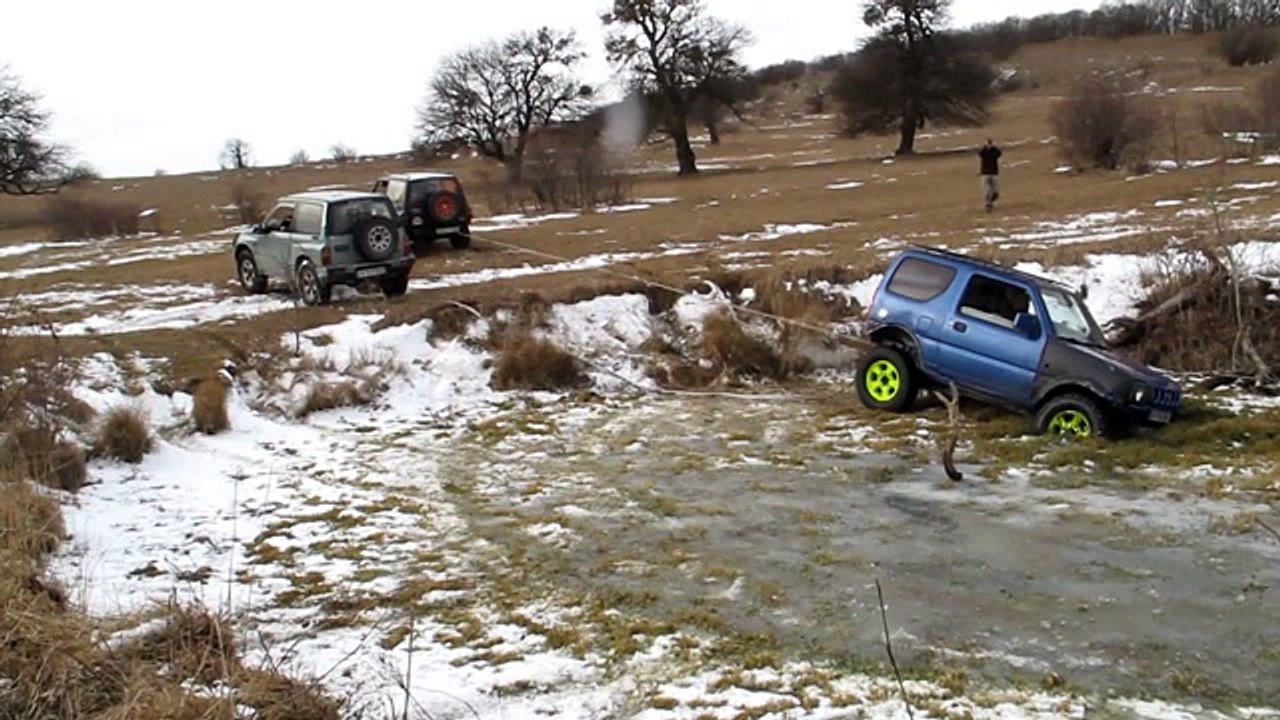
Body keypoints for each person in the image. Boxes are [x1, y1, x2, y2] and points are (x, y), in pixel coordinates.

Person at [978, 139, 1002, 213]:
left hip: (994, 173)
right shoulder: (984, 152)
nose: (989, 145)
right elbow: (980, 153)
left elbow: (999, 153)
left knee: (996, 192)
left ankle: (990, 202)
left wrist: (993, 147)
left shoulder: (994, 152)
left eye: (990, 144)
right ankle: (988, 205)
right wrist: (985, 147)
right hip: (985, 173)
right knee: (988, 191)